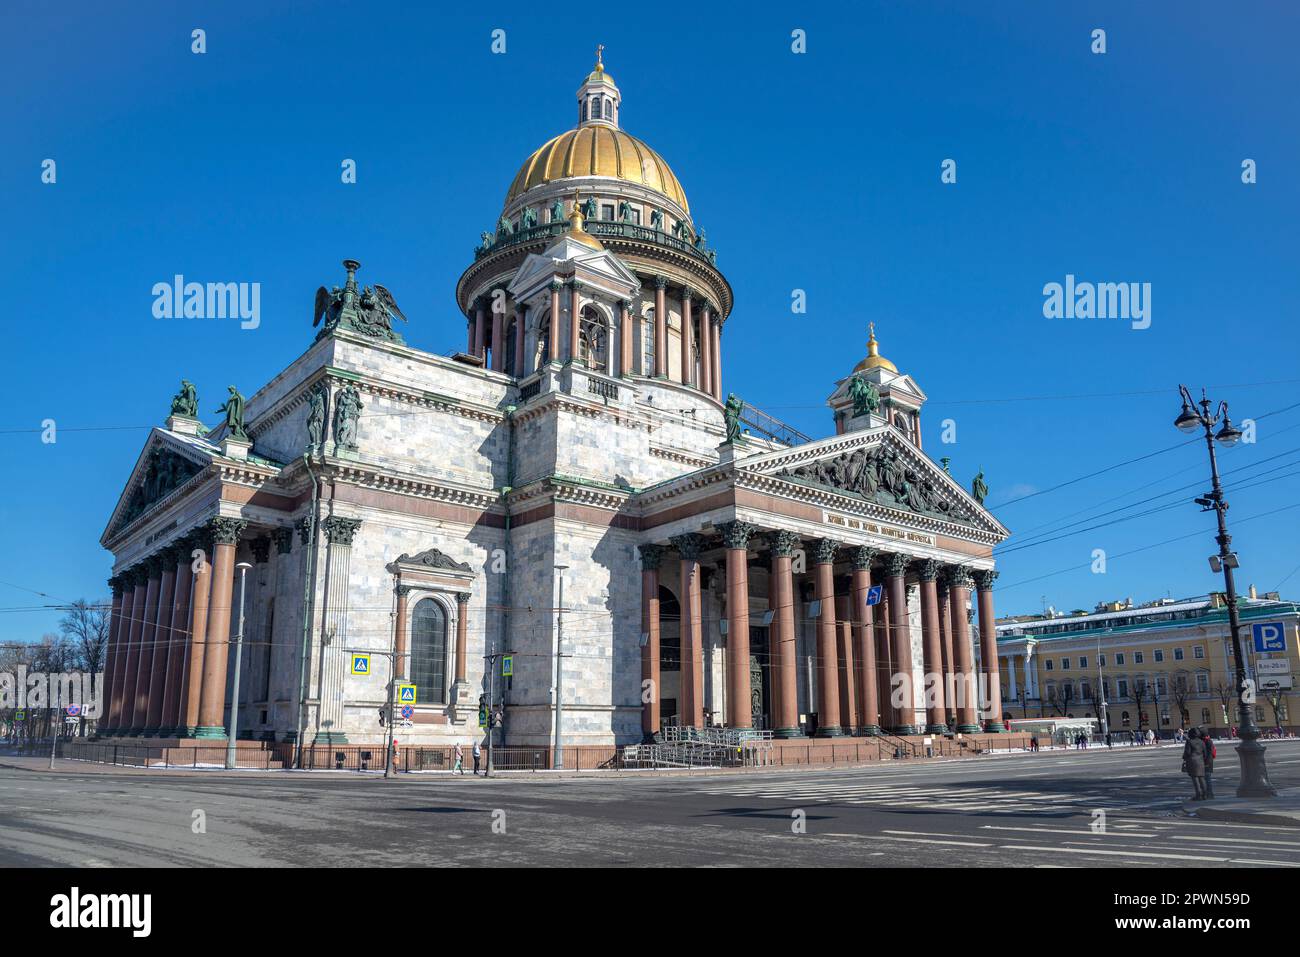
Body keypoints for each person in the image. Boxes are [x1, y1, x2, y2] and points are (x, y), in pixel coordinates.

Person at [1182, 728, 1207, 800]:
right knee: (1202, 778)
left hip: (1192, 761)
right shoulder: (1201, 742)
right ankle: (1204, 794)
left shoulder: (1189, 742)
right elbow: (1205, 753)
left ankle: (1198, 795)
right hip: (1200, 761)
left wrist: (1184, 758)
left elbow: (1187, 752)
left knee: (1195, 779)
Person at [1201, 727, 1216, 799]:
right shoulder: (1208, 740)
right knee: (1206, 778)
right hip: (1208, 761)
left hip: (1207, 762)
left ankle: (1209, 794)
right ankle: (1207, 794)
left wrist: (1205, 762)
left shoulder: (1207, 741)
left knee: (1207, 779)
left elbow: (1209, 753)